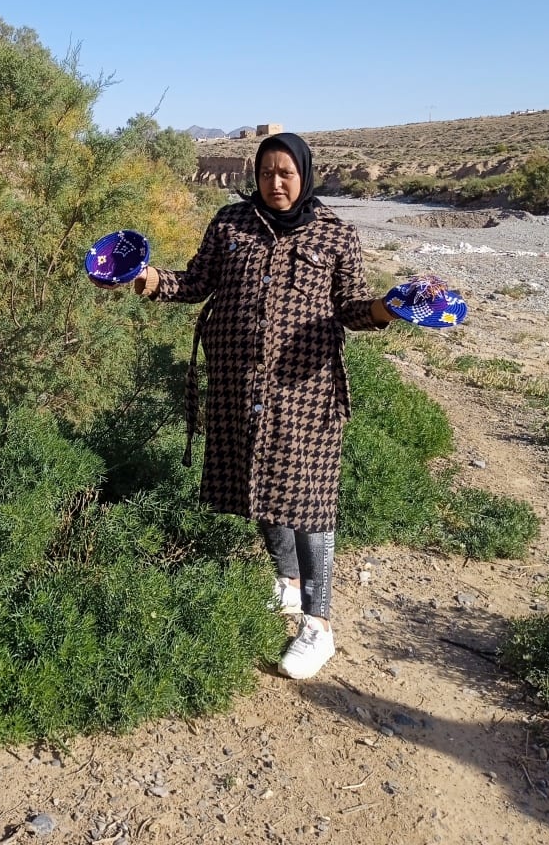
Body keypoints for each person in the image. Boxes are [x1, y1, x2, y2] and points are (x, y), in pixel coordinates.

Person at [133, 132, 397, 680]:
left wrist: (386, 310)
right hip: (237, 384)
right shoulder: (230, 223)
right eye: (266, 173)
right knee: (258, 489)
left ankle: (318, 626)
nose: (276, 183)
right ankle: (288, 582)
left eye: (286, 174)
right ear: (254, 175)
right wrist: (152, 279)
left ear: (305, 174)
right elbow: (199, 282)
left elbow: (350, 306)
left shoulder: (335, 234)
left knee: (309, 501)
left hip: (306, 391)